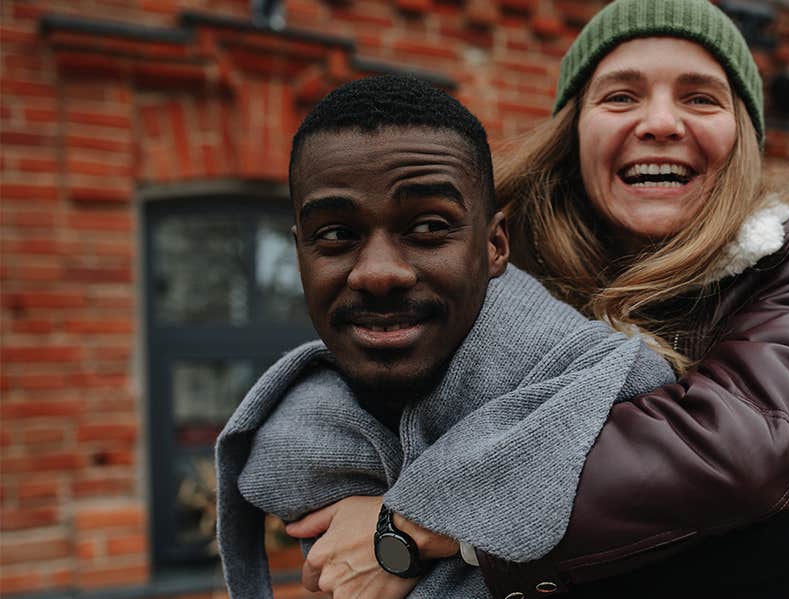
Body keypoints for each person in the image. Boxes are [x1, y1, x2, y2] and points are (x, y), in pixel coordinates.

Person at [292, 0, 789, 597]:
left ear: (742, 142)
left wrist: (418, 521)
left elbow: (731, 449)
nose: (661, 122)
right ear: (573, 131)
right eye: (620, 97)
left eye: (701, 98)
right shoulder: (489, 263)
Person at [215, 75, 676, 599]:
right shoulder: (298, 445)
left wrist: (406, 532)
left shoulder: (619, 399)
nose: (378, 273)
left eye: (429, 226)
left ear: (495, 245)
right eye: (337, 235)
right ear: (301, 254)